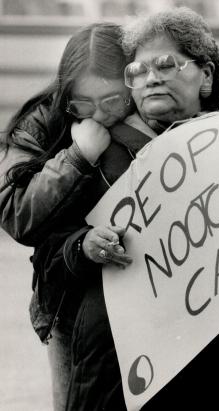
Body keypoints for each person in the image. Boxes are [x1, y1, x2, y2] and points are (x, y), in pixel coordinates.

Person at [35, 8, 219, 411]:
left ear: (205, 76)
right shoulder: (91, 151)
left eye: (166, 64)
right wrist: (83, 246)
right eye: (137, 71)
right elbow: (46, 249)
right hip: (121, 373)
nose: (151, 77)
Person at [0, 22, 134, 411]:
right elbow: (16, 213)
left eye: (112, 101)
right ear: (65, 95)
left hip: (145, 294)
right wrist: (77, 157)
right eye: (83, 104)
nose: (98, 115)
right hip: (67, 303)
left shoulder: (152, 107)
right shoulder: (43, 121)